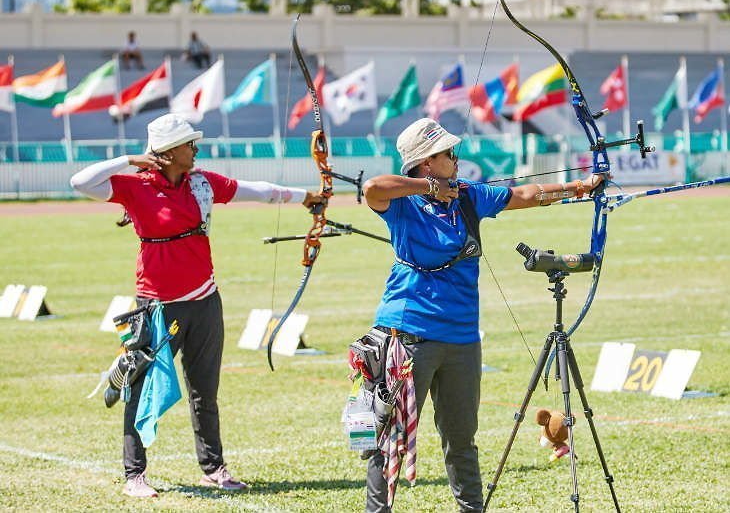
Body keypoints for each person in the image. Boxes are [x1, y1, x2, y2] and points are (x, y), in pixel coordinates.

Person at [70, 113, 322, 499]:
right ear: (168, 153)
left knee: (205, 388)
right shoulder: (135, 186)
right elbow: (80, 182)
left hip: (205, 301)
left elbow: (255, 190)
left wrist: (304, 195)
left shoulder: (201, 183)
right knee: (141, 389)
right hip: (156, 306)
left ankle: (214, 467)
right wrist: (129, 160)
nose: (195, 148)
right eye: (188, 144)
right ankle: (134, 474)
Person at [361, 117, 603, 512]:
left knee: (461, 438)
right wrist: (430, 188)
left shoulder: (468, 196)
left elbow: (525, 194)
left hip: (461, 338)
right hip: (408, 335)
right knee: (393, 437)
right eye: (447, 154)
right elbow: (373, 188)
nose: (456, 159)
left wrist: (579, 187)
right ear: (426, 162)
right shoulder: (403, 203)